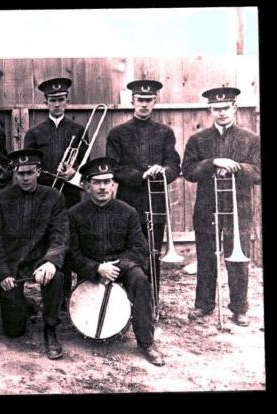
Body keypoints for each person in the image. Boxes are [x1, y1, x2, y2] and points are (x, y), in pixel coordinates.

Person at [67, 157, 165, 366]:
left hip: (121, 268)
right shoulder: (74, 215)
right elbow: (71, 254)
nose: (102, 187)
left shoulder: (127, 211)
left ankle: (146, 342)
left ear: (113, 185)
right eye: (96, 182)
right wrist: (96, 268)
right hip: (90, 269)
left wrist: (116, 267)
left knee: (140, 279)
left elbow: (140, 249)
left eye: (107, 182)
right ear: (86, 185)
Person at [182, 87, 260, 326]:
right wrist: (212, 162)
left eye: (226, 107)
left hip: (240, 207)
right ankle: (204, 304)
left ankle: (239, 308)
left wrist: (237, 166)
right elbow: (188, 172)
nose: (222, 112)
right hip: (207, 207)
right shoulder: (198, 139)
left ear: (234, 108)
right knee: (206, 257)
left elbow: (258, 173)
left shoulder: (251, 138)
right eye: (217, 108)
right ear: (210, 110)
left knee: (238, 258)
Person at [0, 149, 68, 359]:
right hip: (13, 265)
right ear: (15, 173)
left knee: (57, 277)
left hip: (41, 261)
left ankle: (50, 329)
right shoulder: (2, 199)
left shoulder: (54, 197)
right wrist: (3, 273)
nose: (24, 178)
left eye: (29, 173)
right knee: (13, 331)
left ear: (38, 172)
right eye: (20, 173)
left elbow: (59, 236)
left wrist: (51, 262)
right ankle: (27, 305)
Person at [106, 80, 181, 299]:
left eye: (149, 100)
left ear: (155, 102)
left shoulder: (165, 132)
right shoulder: (117, 133)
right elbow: (114, 168)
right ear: (132, 101)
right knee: (127, 253)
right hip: (128, 202)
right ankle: (124, 301)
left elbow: (174, 165)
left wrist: (162, 171)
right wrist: (141, 176)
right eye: (140, 100)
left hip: (155, 203)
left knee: (153, 254)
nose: (144, 104)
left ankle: (151, 301)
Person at [23, 77, 86, 307]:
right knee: (44, 243)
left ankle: (66, 297)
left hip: (70, 198)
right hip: (43, 196)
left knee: (68, 244)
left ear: (67, 101)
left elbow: (84, 170)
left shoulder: (79, 131)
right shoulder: (35, 133)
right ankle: (48, 295)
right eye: (52, 100)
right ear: (45, 102)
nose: (57, 104)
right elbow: (27, 168)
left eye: (61, 100)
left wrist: (73, 173)